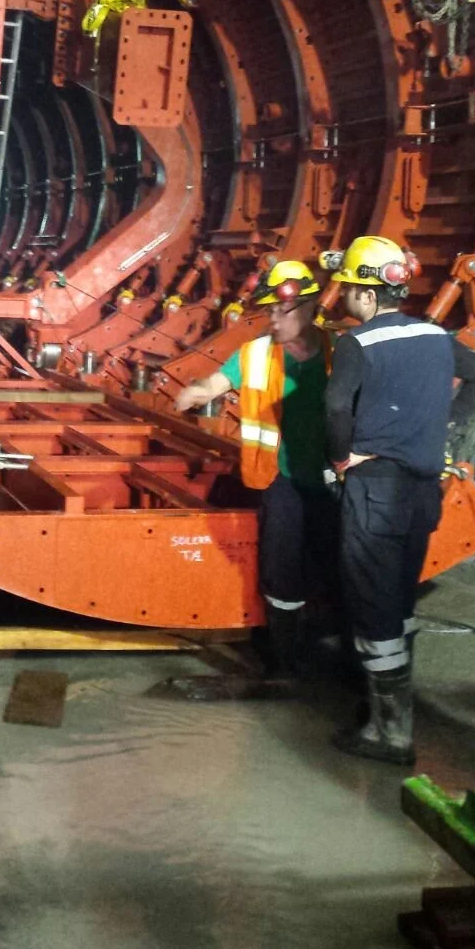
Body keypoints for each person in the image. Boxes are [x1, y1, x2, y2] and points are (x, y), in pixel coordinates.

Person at [323, 235, 475, 766]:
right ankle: (393, 715)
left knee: (373, 607)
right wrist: (443, 421)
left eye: (350, 288)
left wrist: (340, 460)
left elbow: (336, 408)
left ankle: (391, 734)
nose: (347, 298)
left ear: (367, 293)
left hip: (375, 489)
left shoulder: (359, 344)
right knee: (399, 602)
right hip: (423, 492)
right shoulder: (435, 335)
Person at [174, 260, 337, 672]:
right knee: (280, 569)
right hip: (280, 481)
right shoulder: (256, 353)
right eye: (271, 312)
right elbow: (218, 383)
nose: (276, 319)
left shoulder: (339, 352)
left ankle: (334, 648)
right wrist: (195, 391)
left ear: (311, 307)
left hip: (334, 481)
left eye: (285, 310)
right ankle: (284, 661)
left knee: (336, 564)